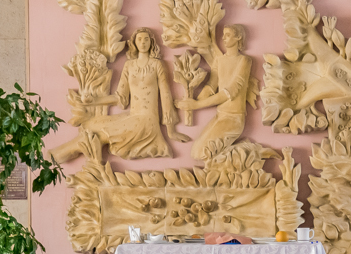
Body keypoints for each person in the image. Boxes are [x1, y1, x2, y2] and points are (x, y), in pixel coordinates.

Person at [51, 27, 189, 164]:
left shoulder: (156, 65)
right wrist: (93, 101)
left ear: (151, 42)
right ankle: (58, 155)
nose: (143, 42)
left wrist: (171, 131)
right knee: (93, 127)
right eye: (139, 39)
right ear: (134, 43)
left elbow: (165, 96)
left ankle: (58, 156)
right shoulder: (129, 65)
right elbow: (120, 97)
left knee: (100, 135)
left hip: (147, 121)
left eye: (146, 39)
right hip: (132, 116)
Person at [177, 24, 252, 161]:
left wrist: (196, 105)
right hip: (220, 115)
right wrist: (191, 99)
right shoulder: (220, 60)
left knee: (203, 153)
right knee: (195, 152)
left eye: (228, 35)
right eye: (223, 34)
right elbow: (211, 86)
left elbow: (229, 92)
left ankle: (240, 155)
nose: (223, 38)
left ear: (238, 37)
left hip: (234, 118)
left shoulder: (244, 61)